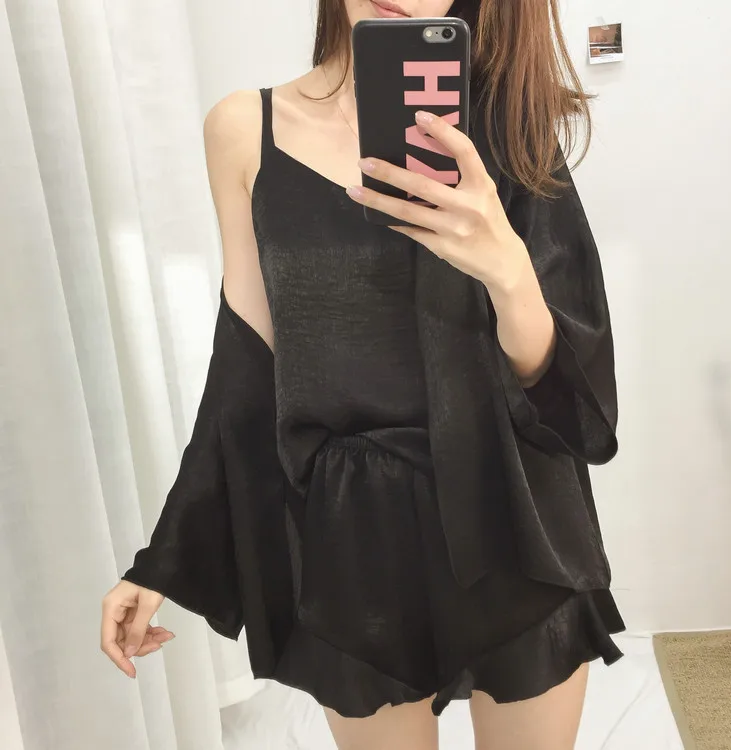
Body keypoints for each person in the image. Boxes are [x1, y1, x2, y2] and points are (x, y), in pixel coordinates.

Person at [101, 1, 626, 748]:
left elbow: (575, 396)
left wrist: (509, 272)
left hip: (512, 509)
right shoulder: (244, 129)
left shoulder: (507, 130)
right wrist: (166, 556)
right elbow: (247, 364)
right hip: (354, 534)